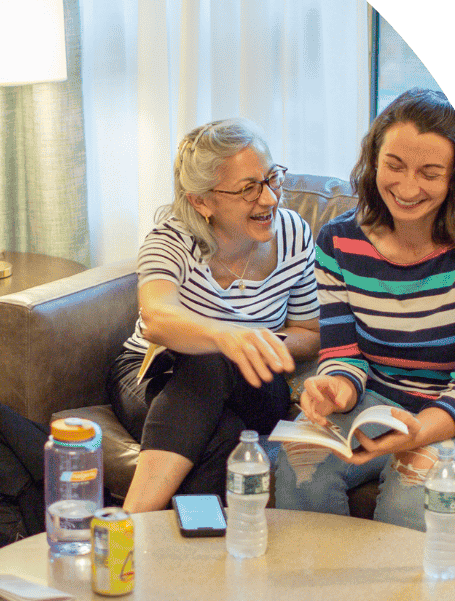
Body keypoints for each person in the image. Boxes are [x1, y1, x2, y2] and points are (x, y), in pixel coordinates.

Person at [275, 89, 455, 530]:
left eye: (430, 173)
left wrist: (416, 434)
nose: (407, 188)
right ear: (374, 161)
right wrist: (336, 389)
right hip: (379, 398)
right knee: (300, 468)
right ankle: (320, 598)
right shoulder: (337, 241)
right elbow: (344, 355)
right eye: (394, 166)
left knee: (411, 487)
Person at [109, 118, 320, 512]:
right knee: (228, 435)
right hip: (153, 373)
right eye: (248, 189)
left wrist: (253, 344)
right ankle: (187, 563)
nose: (270, 199)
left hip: (258, 380)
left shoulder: (293, 233)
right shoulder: (171, 239)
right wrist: (226, 337)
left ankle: (128, 527)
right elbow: (157, 316)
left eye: (272, 179)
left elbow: (310, 331)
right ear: (201, 201)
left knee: (215, 362)